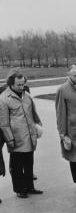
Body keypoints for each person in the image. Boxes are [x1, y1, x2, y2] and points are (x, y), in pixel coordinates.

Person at [0, 69, 43, 198]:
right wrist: (10, 140)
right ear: (11, 84)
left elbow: (34, 113)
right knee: (17, 166)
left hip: (29, 136)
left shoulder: (27, 96)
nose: (21, 87)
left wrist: (39, 125)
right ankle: (19, 189)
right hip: (16, 138)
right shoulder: (3, 99)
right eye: (18, 85)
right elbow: (4, 123)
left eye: (23, 84)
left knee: (29, 164)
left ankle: (30, 187)